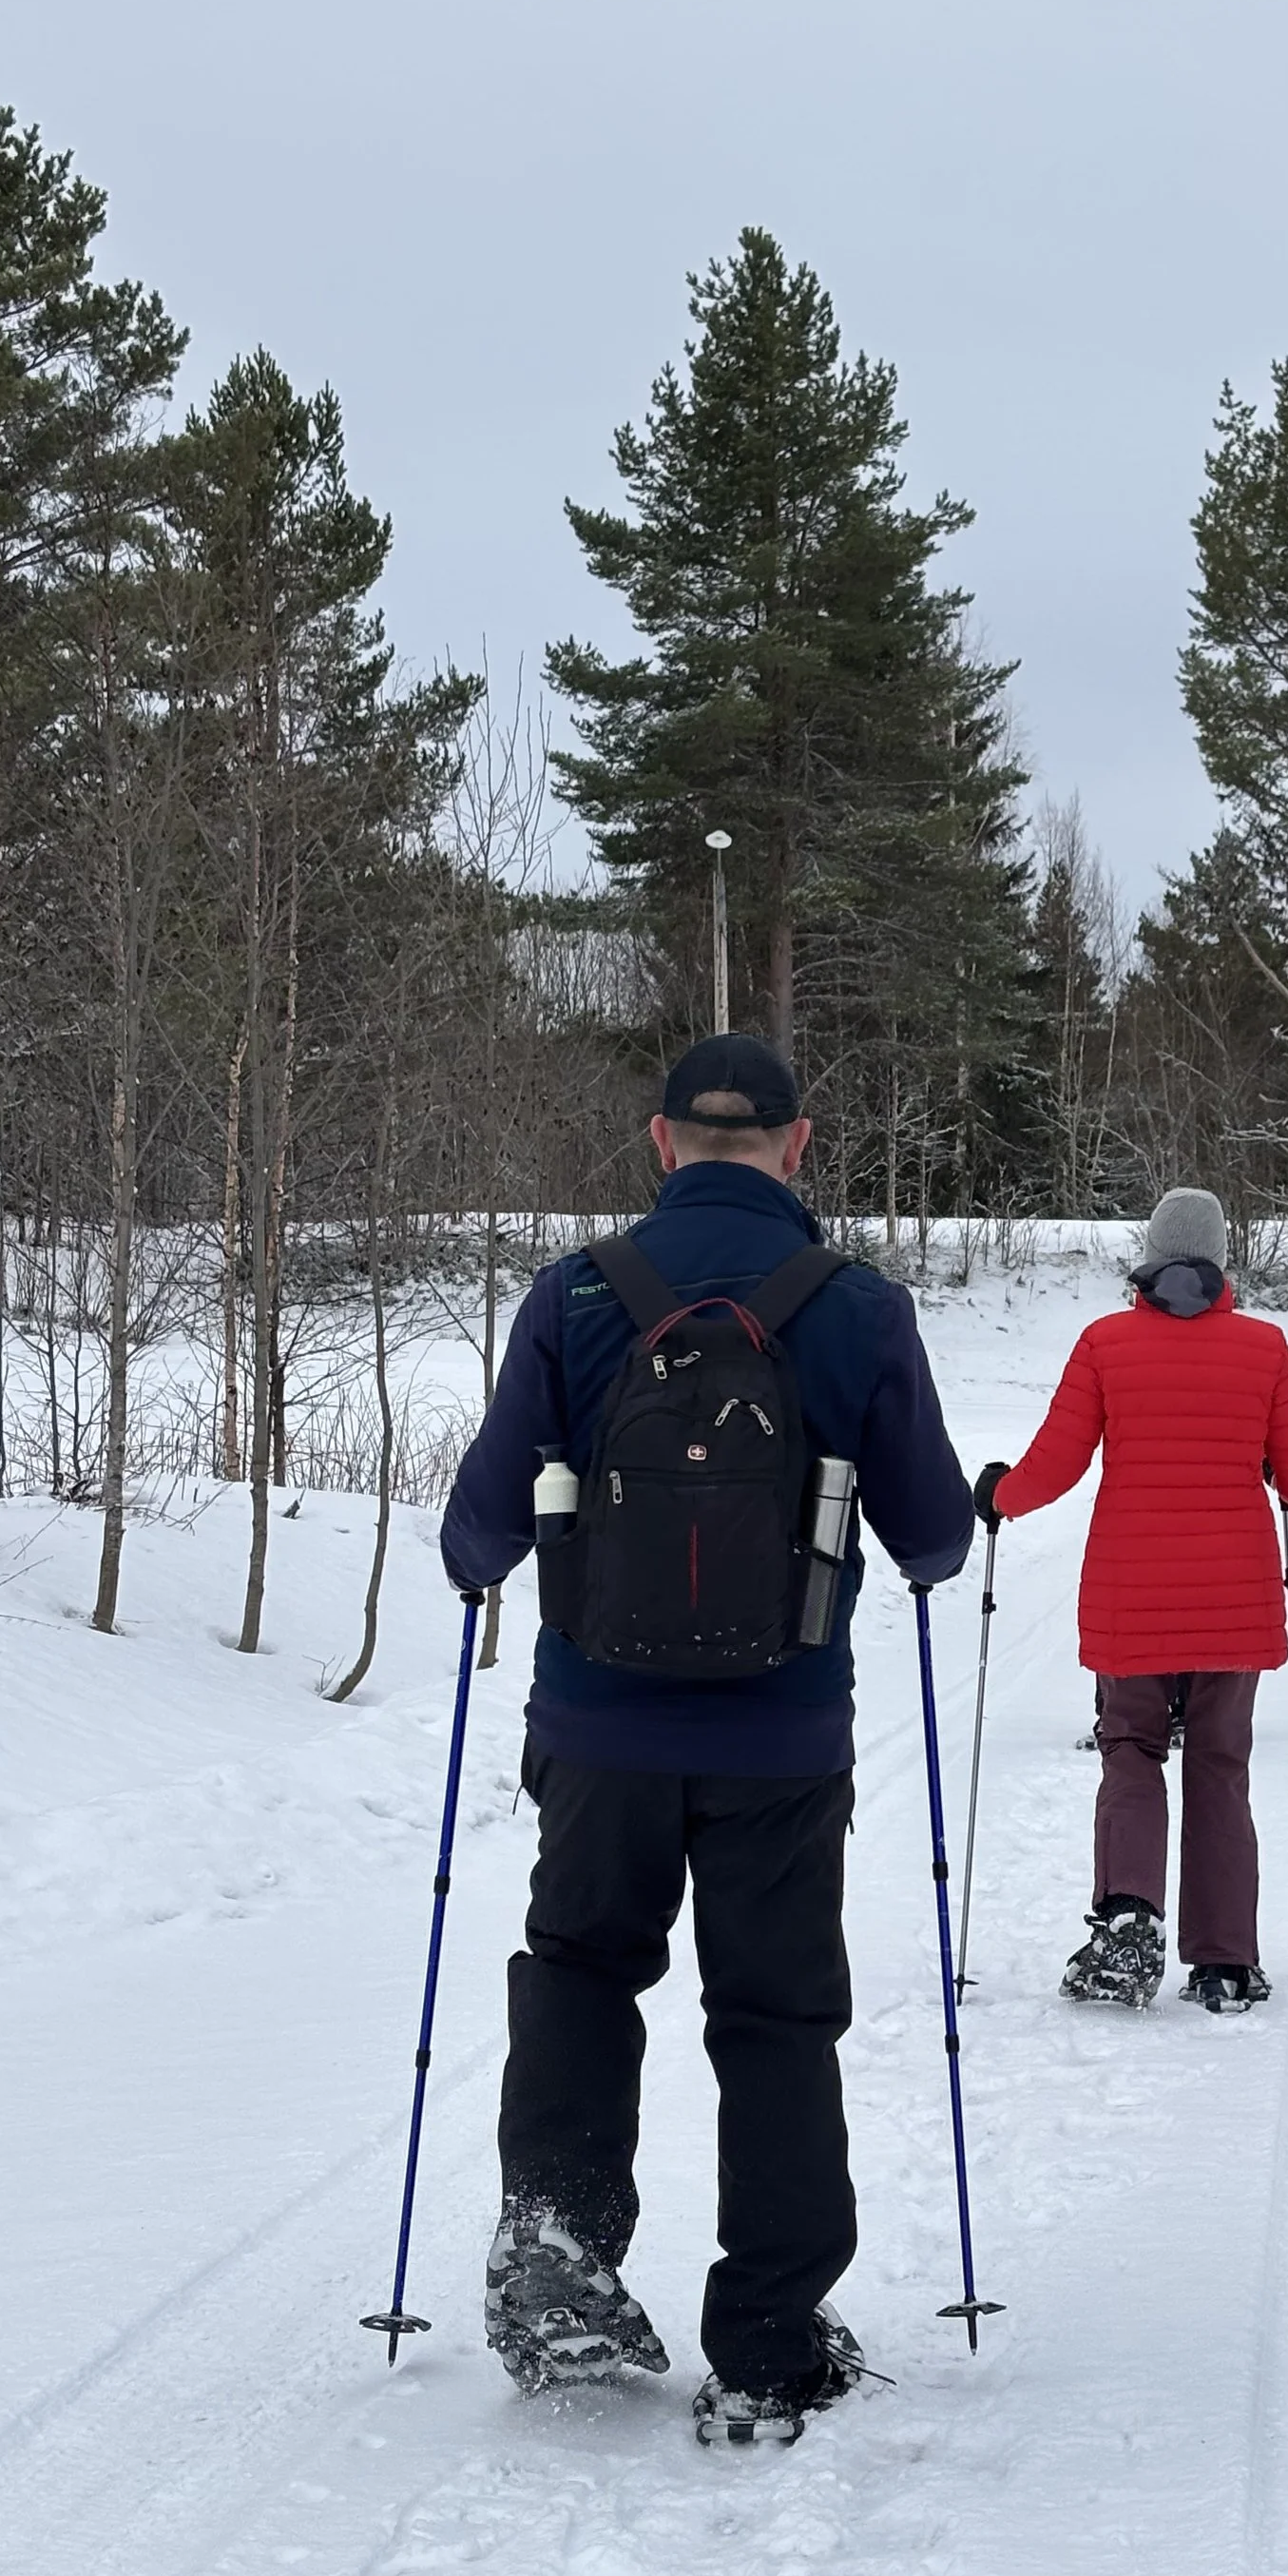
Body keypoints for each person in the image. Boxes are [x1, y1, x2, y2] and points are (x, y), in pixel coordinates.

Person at [440, 1034, 973, 2445]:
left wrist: (474, 1560)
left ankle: (559, 2235)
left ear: (660, 1142)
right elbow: (930, 1532)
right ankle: (768, 2337)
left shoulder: (575, 1296)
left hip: (598, 1723)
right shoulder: (859, 1308)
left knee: (580, 1967)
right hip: (782, 1737)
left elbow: (489, 1504)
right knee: (776, 2018)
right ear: (798, 1148)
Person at [975, 1186, 1288, 2013]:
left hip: (1130, 1598)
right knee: (1219, 1764)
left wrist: (999, 1496)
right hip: (1234, 1602)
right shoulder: (1265, 1348)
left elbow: (1057, 1462)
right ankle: (1225, 1962)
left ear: (1150, 1256)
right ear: (1218, 1259)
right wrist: (1267, 1463)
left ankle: (1129, 1921)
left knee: (1131, 1748)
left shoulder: (1105, 1342)